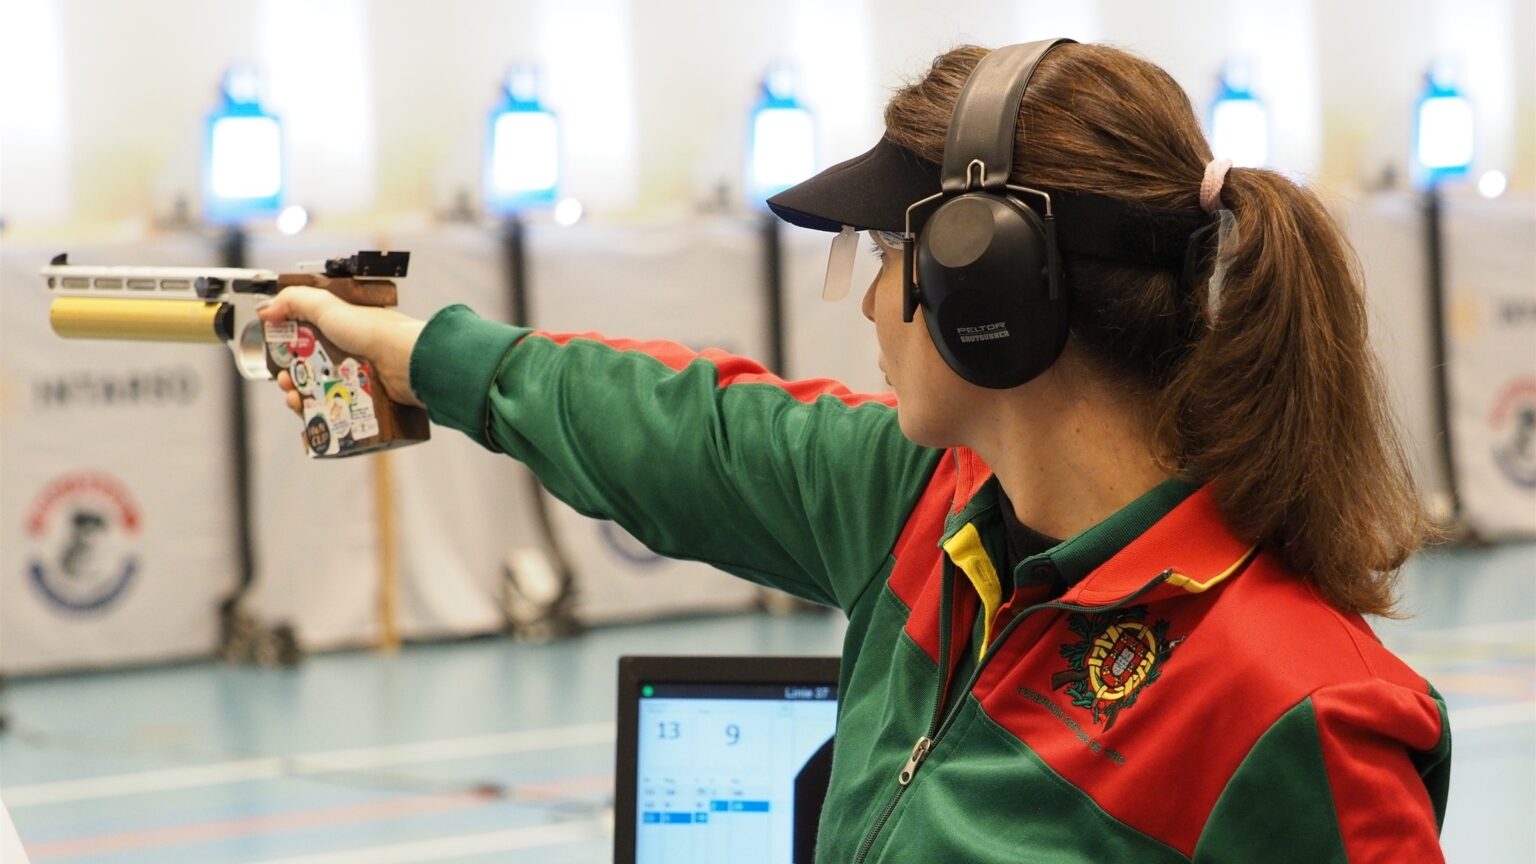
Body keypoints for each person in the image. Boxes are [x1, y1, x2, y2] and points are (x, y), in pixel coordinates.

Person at [258, 40, 1450, 863]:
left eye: (888, 251)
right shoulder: (926, 506)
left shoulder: (1299, 707)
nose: (871, 302)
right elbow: (679, 429)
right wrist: (414, 354)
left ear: (992, 287)